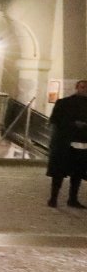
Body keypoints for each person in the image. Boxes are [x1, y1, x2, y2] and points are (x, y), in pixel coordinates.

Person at [47, 78, 87, 208]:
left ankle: (73, 199)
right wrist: (73, 124)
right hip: (64, 143)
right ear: (77, 88)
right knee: (58, 172)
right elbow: (55, 120)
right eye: (82, 87)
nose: (85, 90)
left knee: (78, 173)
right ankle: (53, 198)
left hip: (83, 143)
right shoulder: (64, 103)